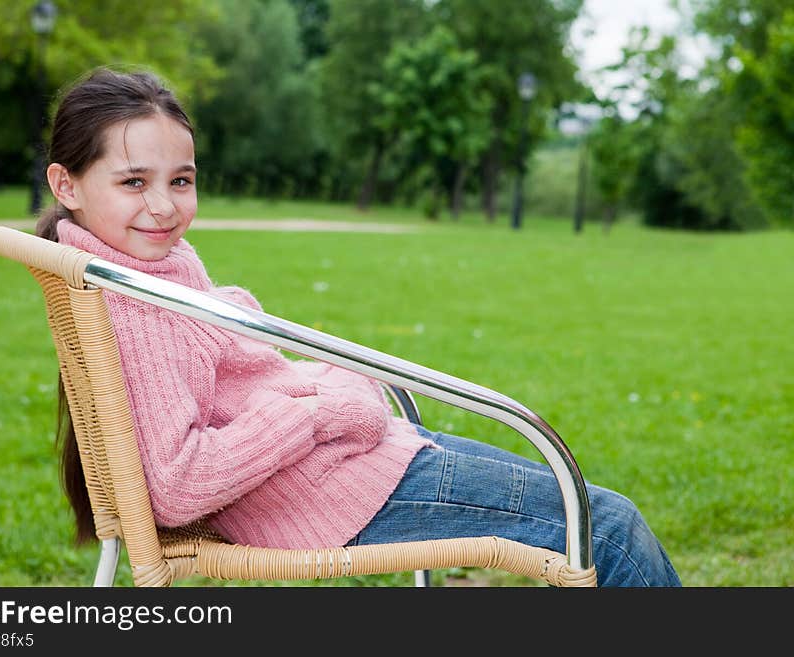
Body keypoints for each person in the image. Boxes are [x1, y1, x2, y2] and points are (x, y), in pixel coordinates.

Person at [36, 67, 681, 587]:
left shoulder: (149, 268)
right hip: (329, 492)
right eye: (132, 181)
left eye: (181, 180)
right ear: (66, 183)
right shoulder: (135, 300)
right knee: (605, 527)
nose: (164, 206)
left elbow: (235, 383)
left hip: (353, 464)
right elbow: (177, 485)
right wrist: (317, 411)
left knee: (592, 511)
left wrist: (324, 389)